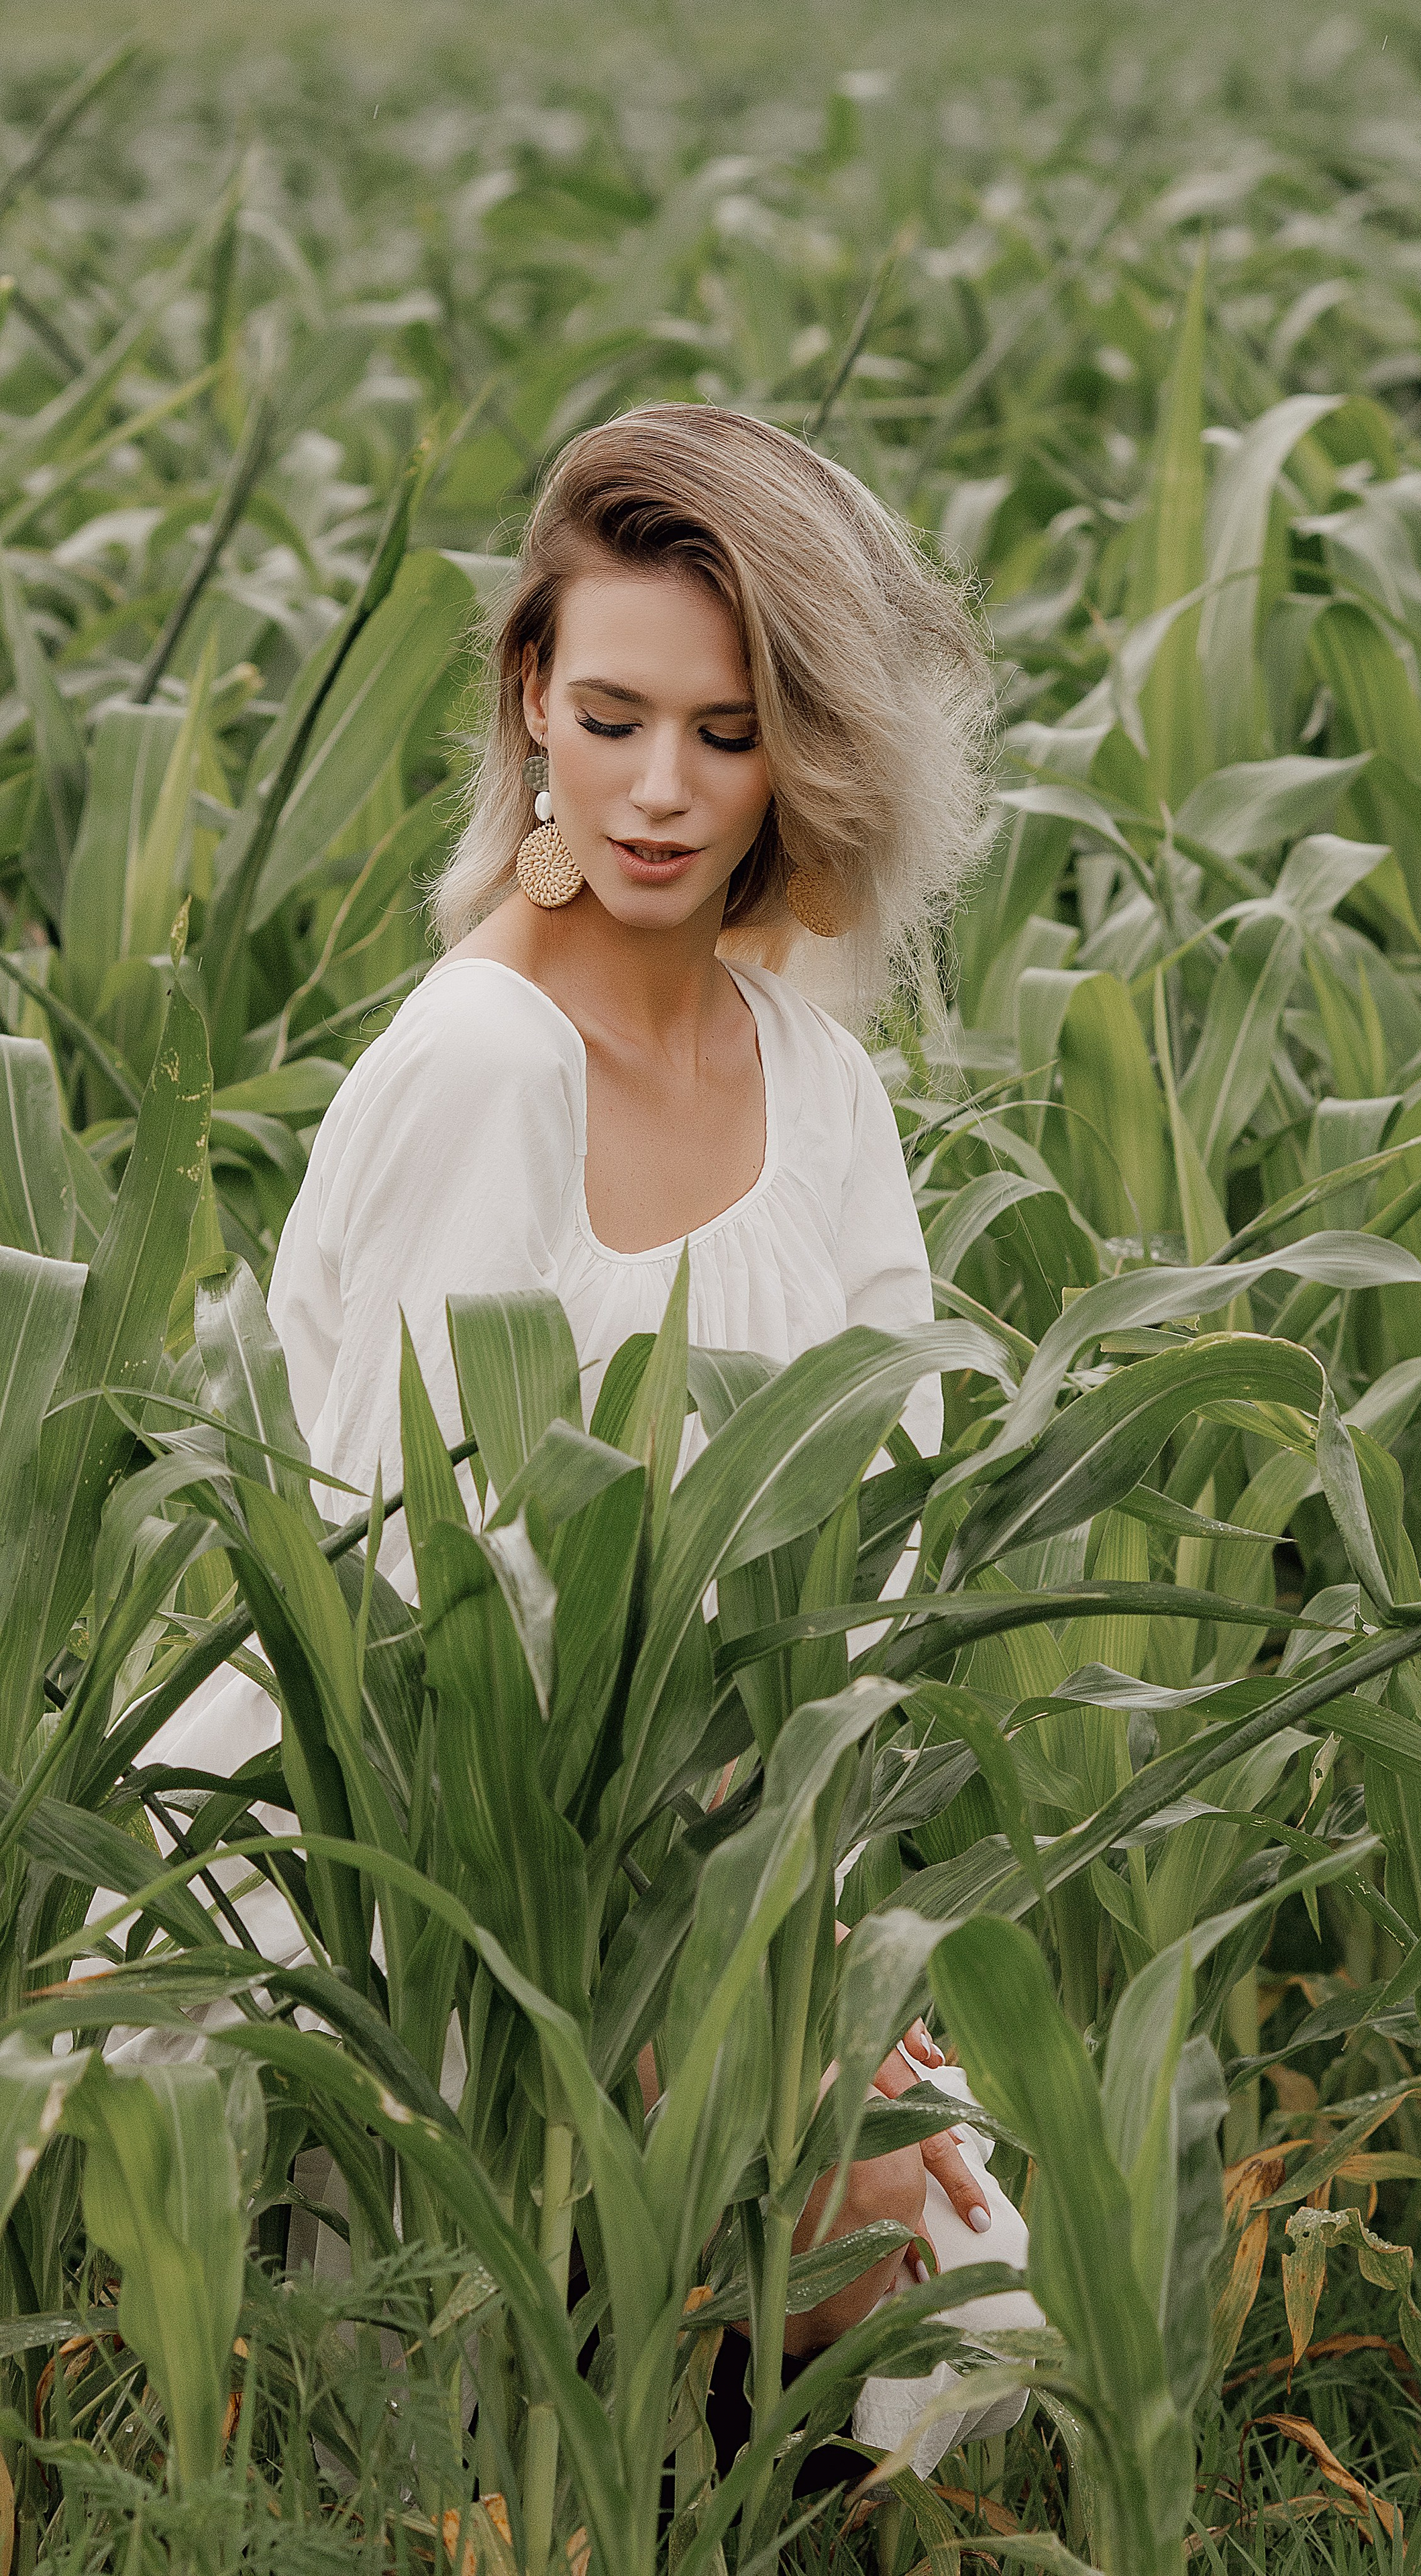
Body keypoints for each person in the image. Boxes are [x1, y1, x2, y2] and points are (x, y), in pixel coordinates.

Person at [147, 403, 1035, 2432]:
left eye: (727, 736)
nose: (658, 792)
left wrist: (830, 2004)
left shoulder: (816, 1087)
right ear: (531, 695)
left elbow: (862, 1586)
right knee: (779, 2296)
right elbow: (416, 1648)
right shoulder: (482, 1064)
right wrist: (693, 2047)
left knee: (977, 2316)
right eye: (612, 714)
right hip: (421, 1898)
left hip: (712, 1870)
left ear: (803, 758)